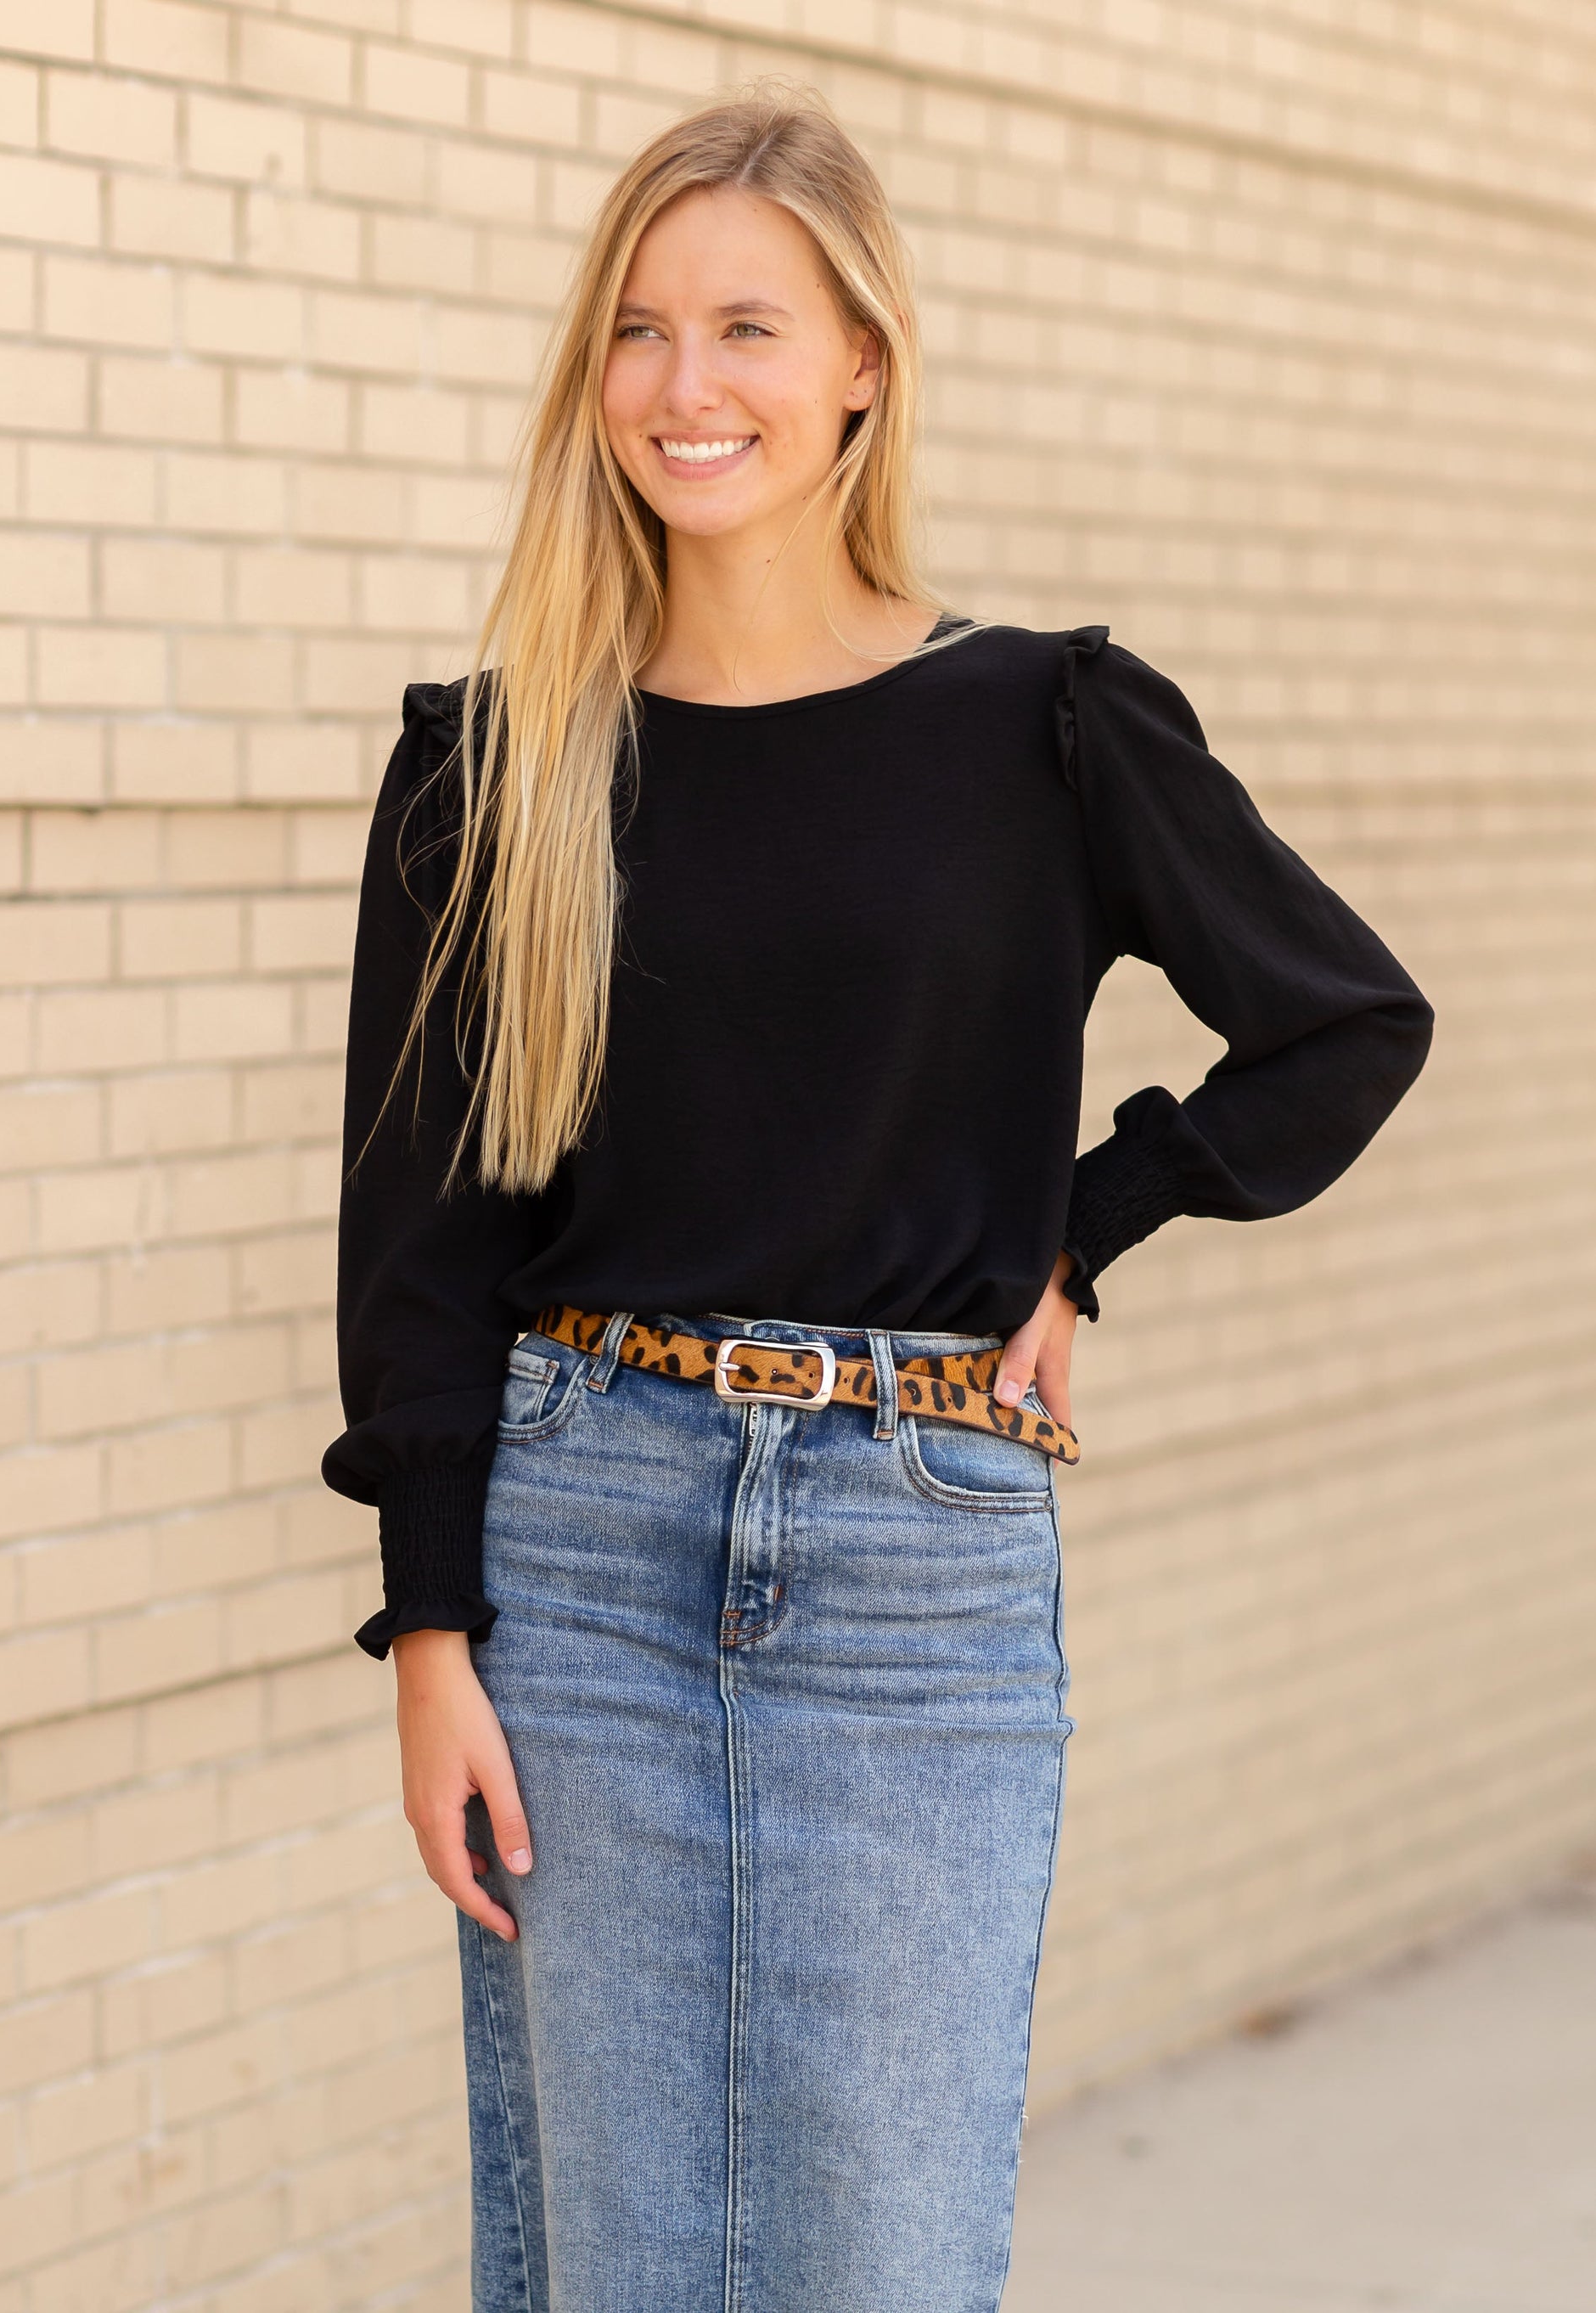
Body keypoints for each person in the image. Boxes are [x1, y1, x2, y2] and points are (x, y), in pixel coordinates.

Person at [321, 82, 1433, 2313]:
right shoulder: (500, 756)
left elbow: (1341, 1021)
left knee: (882, 2257)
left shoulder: (1037, 725)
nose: (684, 385)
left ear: (860, 367)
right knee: (627, 2255)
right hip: (578, 1545)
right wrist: (431, 1632)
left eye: (747, 325)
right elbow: (420, 1236)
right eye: (637, 330)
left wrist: (1089, 1225)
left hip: (919, 1561)